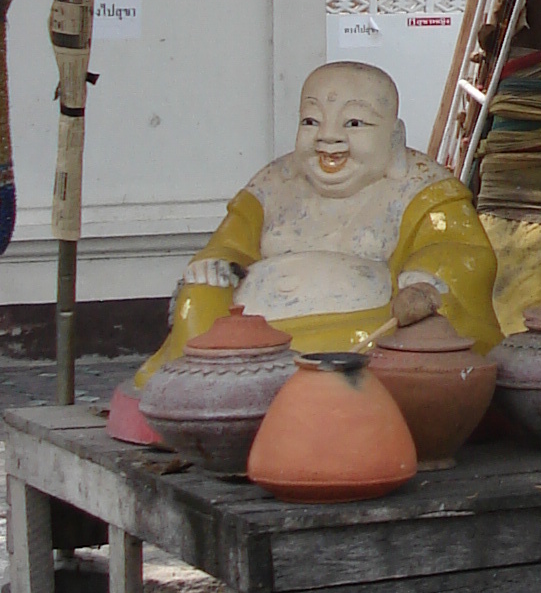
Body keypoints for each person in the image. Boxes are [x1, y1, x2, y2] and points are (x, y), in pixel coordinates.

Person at [135, 60, 500, 376]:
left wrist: (426, 278)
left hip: (367, 326)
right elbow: (231, 242)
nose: (328, 137)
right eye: (311, 121)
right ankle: (195, 388)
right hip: (247, 329)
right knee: (196, 302)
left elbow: (458, 249)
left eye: (354, 123)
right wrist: (214, 265)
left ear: (394, 137)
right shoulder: (272, 185)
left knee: (418, 335)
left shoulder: (425, 189)